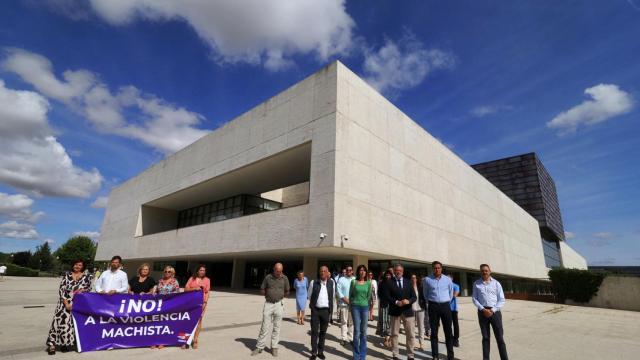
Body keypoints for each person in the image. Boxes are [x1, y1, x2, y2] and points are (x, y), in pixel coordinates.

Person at [45, 259, 92, 355]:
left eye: (79, 265)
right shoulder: (67, 275)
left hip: (77, 304)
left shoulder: (86, 277)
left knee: (70, 325)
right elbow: (62, 290)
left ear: (83, 267)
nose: (77, 266)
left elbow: (89, 289)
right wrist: (66, 303)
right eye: (75, 264)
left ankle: (64, 344)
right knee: (57, 323)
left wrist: (83, 290)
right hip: (63, 304)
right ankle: (51, 345)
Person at [252, 263, 290, 357]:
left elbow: (287, 291)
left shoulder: (285, 278)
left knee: (277, 327)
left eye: (280, 271)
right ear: (274, 269)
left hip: (279, 304)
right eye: (277, 271)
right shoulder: (268, 278)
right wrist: (267, 295)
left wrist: (280, 297)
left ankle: (274, 347)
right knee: (264, 326)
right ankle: (259, 347)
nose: (279, 273)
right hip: (268, 304)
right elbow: (262, 289)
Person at [472, 264, 508, 360]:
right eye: (482, 271)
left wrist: (492, 310)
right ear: (480, 272)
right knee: (485, 338)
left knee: (500, 338)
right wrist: (483, 309)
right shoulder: (476, 284)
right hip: (482, 312)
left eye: (486, 270)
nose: (484, 272)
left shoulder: (496, 283)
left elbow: (502, 299)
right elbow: (474, 299)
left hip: (495, 312)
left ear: (490, 271)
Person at [384, 264, 417, 360]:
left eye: (400, 270)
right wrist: (396, 302)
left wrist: (409, 301)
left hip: (408, 311)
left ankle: (410, 355)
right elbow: (387, 297)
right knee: (394, 334)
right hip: (395, 311)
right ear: (394, 271)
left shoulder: (408, 282)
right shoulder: (389, 282)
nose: (398, 272)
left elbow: (414, 297)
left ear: (402, 272)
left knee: (410, 334)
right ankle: (395, 355)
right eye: (396, 270)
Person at [423, 261, 454, 360]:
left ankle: (450, 356)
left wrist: (445, 301)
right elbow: (425, 294)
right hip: (433, 306)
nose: (437, 269)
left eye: (438, 268)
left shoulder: (447, 279)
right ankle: (435, 356)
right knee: (434, 332)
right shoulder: (427, 280)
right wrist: (433, 302)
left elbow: (451, 292)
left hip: (445, 306)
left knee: (448, 331)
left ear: (441, 268)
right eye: (435, 268)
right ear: (433, 269)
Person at [307, 266, 335, 360]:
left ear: (328, 273)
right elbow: (309, 295)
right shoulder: (313, 282)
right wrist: (313, 307)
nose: (323, 272)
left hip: (326, 311)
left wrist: (330, 310)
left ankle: (320, 351)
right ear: (319, 273)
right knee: (314, 332)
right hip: (315, 310)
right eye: (321, 271)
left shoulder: (331, 283)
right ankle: (314, 352)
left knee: (323, 332)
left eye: (324, 271)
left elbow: (332, 296)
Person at [153, 265, 180, 350]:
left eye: (169, 272)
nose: (167, 273)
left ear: (172, 273)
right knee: (157, 323)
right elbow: (157, 291)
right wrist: (154, 291)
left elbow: (177, 293)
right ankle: (154, 341)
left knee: (165, 324)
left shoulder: (175, 281)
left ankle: (163, 341)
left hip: (169, 305)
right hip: (159, 305)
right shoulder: (160, 281)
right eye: (166, 271)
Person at [184, 264, 210, 350]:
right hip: (190, 303)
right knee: (188, 321)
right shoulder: (192, 278)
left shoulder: (207, 280)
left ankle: (195, 340)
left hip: (200, 303)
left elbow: (207, 292)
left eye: (204, 270)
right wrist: (194, 289)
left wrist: (205, 302)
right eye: (201, 270)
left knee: (199, 321)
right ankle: (186, 340)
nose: (202, 272)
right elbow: (186, 289)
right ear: (197, 271)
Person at [350, 265, 372, 360]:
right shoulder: (353, 282)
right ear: (358, 272)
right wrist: (353, 304)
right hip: (355, 307)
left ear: (366, 272)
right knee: (357, 332)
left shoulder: (368, 283)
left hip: (365, 308)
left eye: (364, 270)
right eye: (360, 270)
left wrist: (365, 304)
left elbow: (369, 296)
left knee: (363, 332)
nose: (362, 272)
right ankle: (356, 355)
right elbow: (350, 295)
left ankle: (362, 356)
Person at [336, 265, 355, 346]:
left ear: (352, 271)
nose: (349, 271)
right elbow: (338, 291)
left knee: (351, 322)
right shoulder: (341, 279)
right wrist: (346, 300)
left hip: (353, 304)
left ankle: (351, 338)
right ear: (345, 271)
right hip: (344, 304)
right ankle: (343, 338)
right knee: (344, 322)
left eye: (350, 270)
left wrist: (352, 301)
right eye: (347, 270)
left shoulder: (355, 279)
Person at [375, 270, 393, 347]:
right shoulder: (381, 283)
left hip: (392, 305)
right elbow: (379, 293)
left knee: (391, 322)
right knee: (385, 322)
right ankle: (386, 338)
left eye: (389, 275)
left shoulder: (394, 283)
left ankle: (390, 338)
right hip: (384, 305)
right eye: (387, 275)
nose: (388, 276)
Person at [410, 274, 427, 351]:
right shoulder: (409, 288)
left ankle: (421, 343)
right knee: (412, 327)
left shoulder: (421, 288)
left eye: (415, 278)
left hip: (420, 308)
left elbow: (425, 296)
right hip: (411, 309)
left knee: (421, 326)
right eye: (412, 278)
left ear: (417, 279)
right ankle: (412, 343)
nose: (414, 279)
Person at [448, 274, 461, 347]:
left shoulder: (456, 286)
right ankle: (450, 338)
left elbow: (455, 295)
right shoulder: (444, 286)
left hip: (453, 309)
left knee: (455, 324)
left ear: (451, 279)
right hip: (446, 309)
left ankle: (456, 339)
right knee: (448, 325)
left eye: (448, 279)